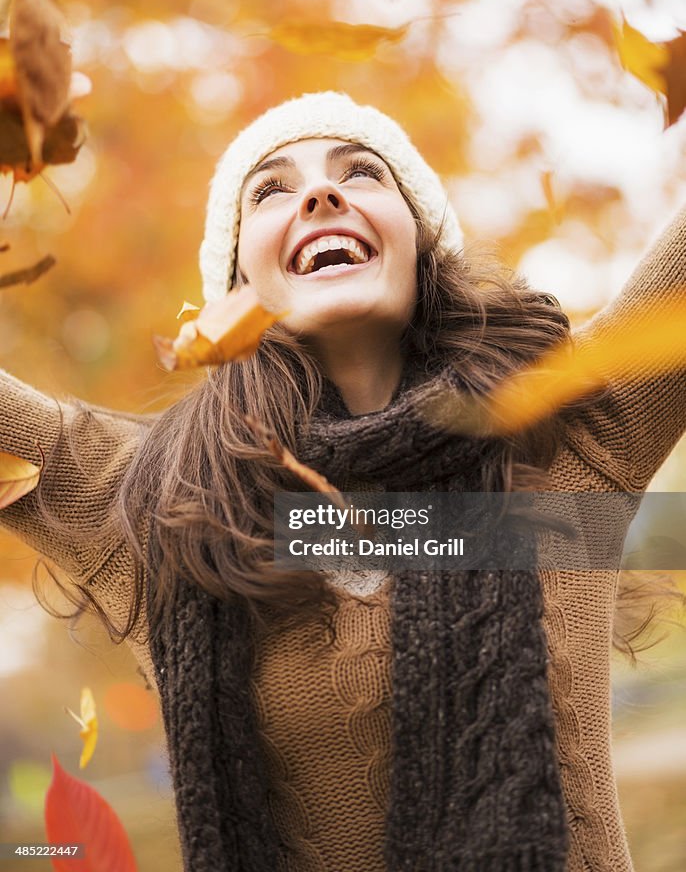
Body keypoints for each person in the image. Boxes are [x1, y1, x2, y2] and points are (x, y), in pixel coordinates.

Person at [1, 91, 685, 872]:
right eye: (270, 190)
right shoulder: (159, 504)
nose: (321, 195)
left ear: (421, 242)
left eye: (361, 174)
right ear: (236, 286)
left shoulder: (567, 425)